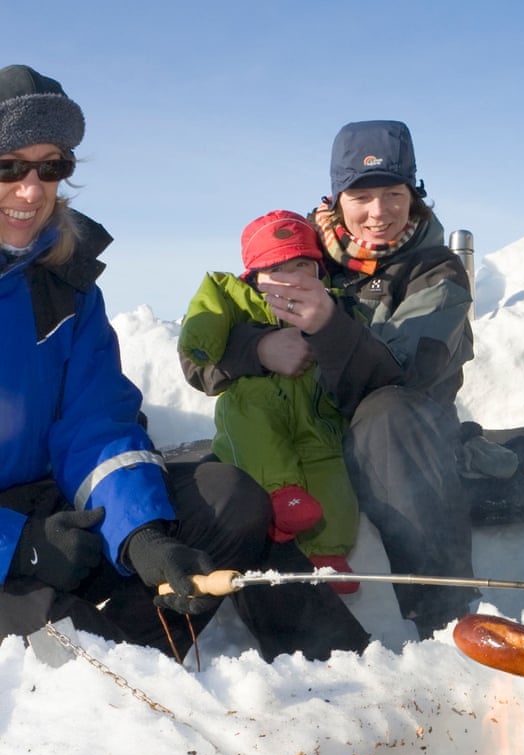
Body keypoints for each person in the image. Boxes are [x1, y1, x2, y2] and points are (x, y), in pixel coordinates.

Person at [0, 65, 368, 663]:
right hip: (16, 535)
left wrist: (141, 533)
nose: (32, 189)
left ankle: (336, 680)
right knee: (56, 650)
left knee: (229, 499)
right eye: (9, 166)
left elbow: (94, 422)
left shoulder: (67, 286)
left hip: (48, 506)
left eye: (53, 165)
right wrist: (19, 547)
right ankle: (85, 685)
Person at [182, 121, 476, 639]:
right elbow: (204, 355)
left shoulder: (435, 271)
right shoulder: (300, 256)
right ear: (337, 198)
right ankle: (306, 650)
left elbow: (408, 376)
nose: (379, 212)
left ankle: (442, 611)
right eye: (361, 195)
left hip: (401, 447)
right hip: (307, 434)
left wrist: (326, 326)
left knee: (389, 413)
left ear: (415, 195)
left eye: (393, 193)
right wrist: (258, 349)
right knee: (235, 476)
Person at [178, 211, 360, 593]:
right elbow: (202, 329)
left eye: (300, 266)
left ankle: (329, 554)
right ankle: (280, 494)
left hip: (314, 419)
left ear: (320, 271)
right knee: (253, 415)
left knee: (332, 477)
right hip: (257, 414)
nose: (289, 278)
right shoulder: (234, 297)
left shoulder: (336, 306)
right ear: (252, 277)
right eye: (275, 269)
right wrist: (216, 343)